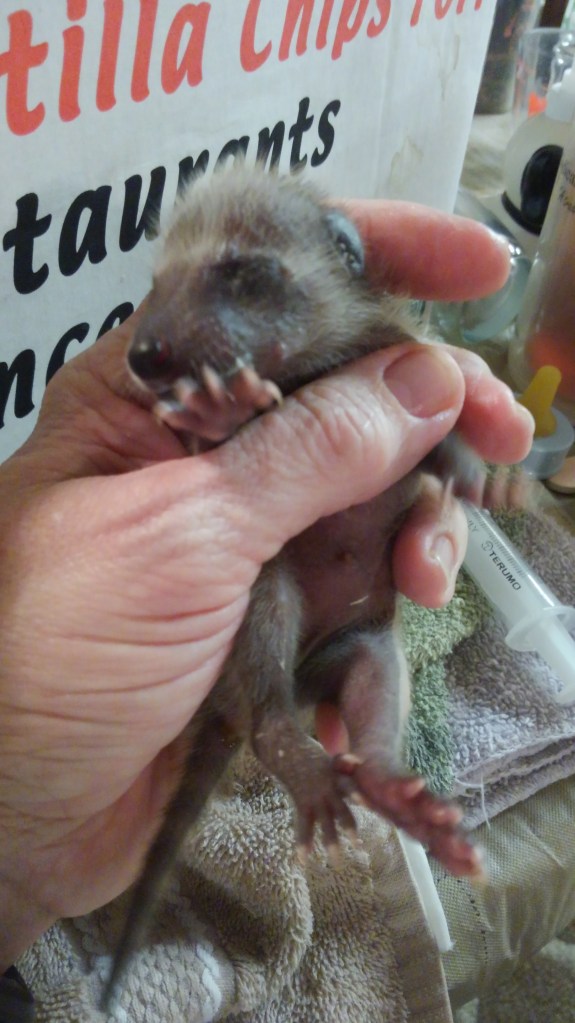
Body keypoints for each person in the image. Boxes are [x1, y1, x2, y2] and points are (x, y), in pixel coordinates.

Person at [0, 199, 533, 1012]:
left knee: (376, 655)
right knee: (274, 597)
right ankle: (284, 737)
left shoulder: (383, 348)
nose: (157, 336)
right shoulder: (243, 391)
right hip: (275, 604)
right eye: (162, 290)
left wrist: (464, 462)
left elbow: (444, 444)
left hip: (355, 626)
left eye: (236, 280)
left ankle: (380, 769)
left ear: (338, 268)